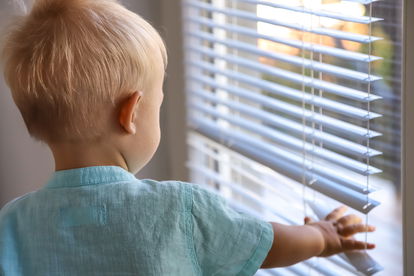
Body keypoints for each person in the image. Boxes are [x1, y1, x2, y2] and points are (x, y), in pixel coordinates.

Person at [0, 0, 375, 275]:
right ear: (130, 114)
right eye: (158, 104)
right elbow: (265, 242)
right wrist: (323, 237)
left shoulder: (12, 224)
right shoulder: (179, 209)